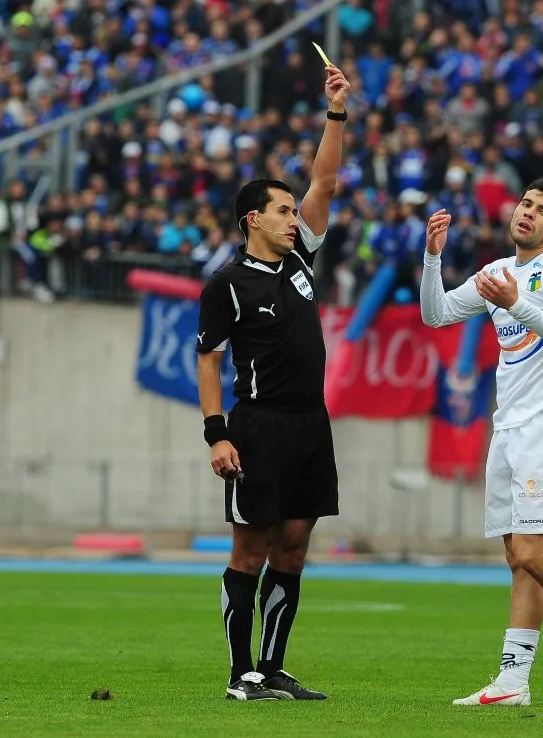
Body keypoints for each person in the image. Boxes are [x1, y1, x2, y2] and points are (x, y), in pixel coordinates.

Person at [421, 177, 543, 707]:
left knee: (533, 549)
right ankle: (513, 682)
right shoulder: (496, 272)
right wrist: (433, 258)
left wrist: (517, 304)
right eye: (526, 203)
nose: (528, 213)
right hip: (508, 427)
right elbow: (436, 313)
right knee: (518, 556)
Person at [195, 64, 351, 701]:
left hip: (311, 424)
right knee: (250, 551)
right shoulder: (228, 284)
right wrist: (216, 434)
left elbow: (327, 178)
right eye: (282, 211)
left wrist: (335, 111)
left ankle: (274, 666)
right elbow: (207, 359)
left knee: (293, 547)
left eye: (295, 211)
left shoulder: (300, 262)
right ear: (252, 220)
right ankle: (240, 676)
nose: (295, 219)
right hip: (256, 426)